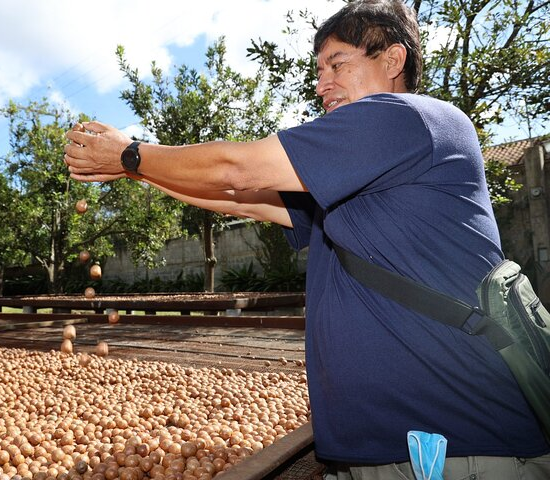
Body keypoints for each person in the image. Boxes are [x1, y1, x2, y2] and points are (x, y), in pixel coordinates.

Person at [63, 1, 550, 478]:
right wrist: (134, 171)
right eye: (318, 71)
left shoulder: (405, 117)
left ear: (393, 59)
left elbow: (239, 166)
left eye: (337, 64)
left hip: (451, 450)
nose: (321, 86)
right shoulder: (363, 175)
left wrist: (130, 154)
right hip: (389, 452)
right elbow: (241, 197)